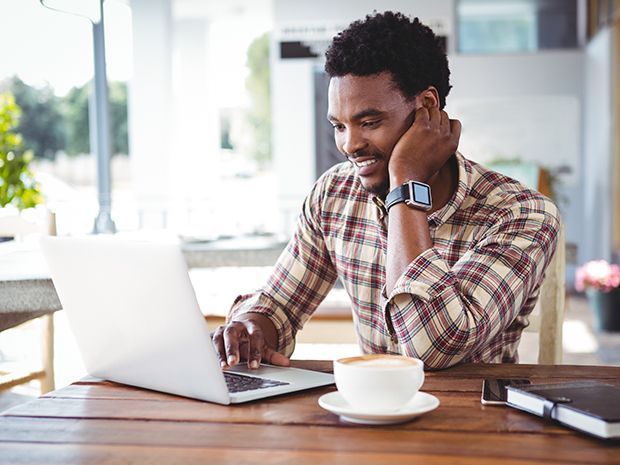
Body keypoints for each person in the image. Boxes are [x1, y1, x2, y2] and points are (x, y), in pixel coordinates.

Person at [212, 11, 560, 370]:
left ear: (426, 106)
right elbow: (281, 306)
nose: (349, 145)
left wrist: (406, 182)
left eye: (369, 122)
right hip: (366, 413)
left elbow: (431, 350)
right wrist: (251, 329)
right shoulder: (335, 193)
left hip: (473, 418)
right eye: (339, 126)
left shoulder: (520, 213)